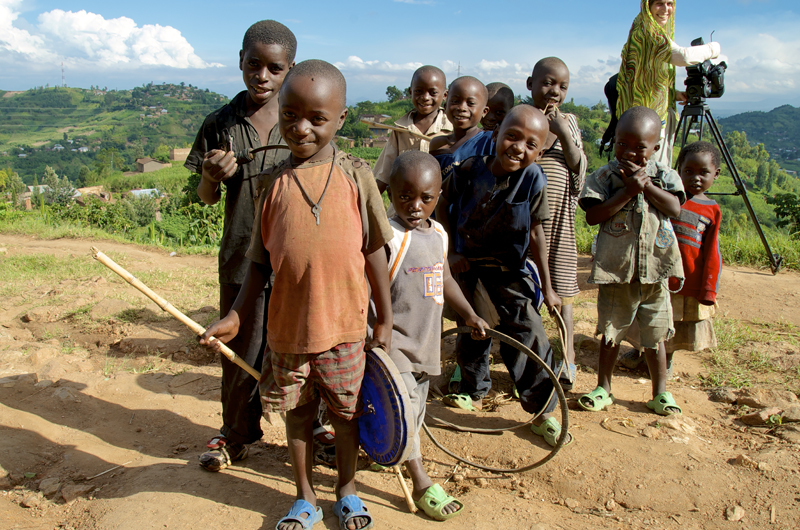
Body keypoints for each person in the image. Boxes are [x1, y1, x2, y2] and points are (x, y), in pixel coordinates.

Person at [200, 60, 393, 530]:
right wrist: (236, 317)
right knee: (299, 415)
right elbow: (259, 264)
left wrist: (383, 319)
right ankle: (304, 496)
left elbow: (374, 253)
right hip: (287, 331)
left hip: (345, 327)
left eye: (317, 119)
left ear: (341, 118)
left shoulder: (357, 177)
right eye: (290, 116)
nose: (300, 128)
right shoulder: (272, 185)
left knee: (346, 416)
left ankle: (346, 489)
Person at [185, 20, 296, 472]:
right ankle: (238, 431)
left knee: (300, 347)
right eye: (254, 65)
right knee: (240, 350)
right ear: (240, 62)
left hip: (294, 262)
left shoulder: (300, 119)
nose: (262, 77)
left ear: (289, 70)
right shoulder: (221, 124)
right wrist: (211, 177)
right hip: (239, 259)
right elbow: (206, 198)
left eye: (274, 68)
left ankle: (318, 428)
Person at [436, 105, 572, 447]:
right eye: (512, 136)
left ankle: (543, 412)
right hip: (469, 267)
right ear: (496, 136)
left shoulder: (533, 179)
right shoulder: (468, 170)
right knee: (474, 331)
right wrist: (451, 252)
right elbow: (442, 206)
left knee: (529, 336)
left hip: (510, 272)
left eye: (530, 144)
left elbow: (538, 234)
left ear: (540, 152)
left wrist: (550, 288)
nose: (518, 148)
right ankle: (472, 390)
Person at [374, 150, 488, 520]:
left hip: (426, 343)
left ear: (439, 195)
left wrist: (469, 313)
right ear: (389, 192)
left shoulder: (438, 233)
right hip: (394, 346)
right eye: (405, 196)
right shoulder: (387, 235)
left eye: (426, 197)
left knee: (415, 409)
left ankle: (385, 448)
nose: (415, 205)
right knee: (403, 408)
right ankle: (419, 476)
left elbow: (446, 279)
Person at [577, 106, 685, 417]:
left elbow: (675, 208)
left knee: (655, 336)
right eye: (622, 143)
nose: (630, 152)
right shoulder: (606, 175)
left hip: (655, 273)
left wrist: (646, 186)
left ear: (655, 148)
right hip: (617, 272)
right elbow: (593, 215)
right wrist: (627, 192)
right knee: (612, 333)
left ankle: (660, 392)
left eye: (640, 147)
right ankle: (603, 387)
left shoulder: (664, 175)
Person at [526, 57, 587, 391]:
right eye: (548, 83)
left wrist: (562, 130)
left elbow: (579, 171)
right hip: (526, 230)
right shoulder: (522, 120)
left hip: (559, 227)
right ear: (530, 84)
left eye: (563, 86)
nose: (555, 91)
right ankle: (532, 361)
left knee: (562, 299)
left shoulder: (570, 123)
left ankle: (568, 359)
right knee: (526, 297)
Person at [616, 0, 722, 166]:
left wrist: (673, 93)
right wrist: (713, 49)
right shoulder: (648, 31)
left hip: (644, 116)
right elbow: (683, 57)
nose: (666, 9)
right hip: (646, 123)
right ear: (647, 6)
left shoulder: (643, 27)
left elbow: (646, 75)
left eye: (670, 4)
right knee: (651, 172)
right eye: (659, 3)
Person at [373, 66, 451, 195]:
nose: (425, 97)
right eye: (419, 91)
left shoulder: (452, 128)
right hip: (403, 208)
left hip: (440, 209)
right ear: (410, 92)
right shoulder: (400, 130)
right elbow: (384, 174)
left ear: (445, 95)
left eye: (433, 93)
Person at [430, 76, 494, 182]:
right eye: (455, 101)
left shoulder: (489, 141)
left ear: (484, 111)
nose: (462, 108)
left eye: (471, 103)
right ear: (445, 107)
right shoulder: (437, 144)